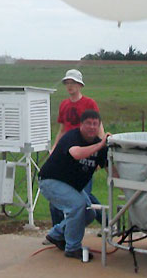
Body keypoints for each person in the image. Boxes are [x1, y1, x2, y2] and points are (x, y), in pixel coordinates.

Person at [38, 110, 111, 261]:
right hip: (50, 180)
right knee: (77, 205)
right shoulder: (72, 137)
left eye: (95, 124)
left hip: (71, 185)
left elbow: (110, 170)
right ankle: (73, 248)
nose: (92, 127)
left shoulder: (100, 147)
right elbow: (76, 153)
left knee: (89, 212)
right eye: (88, 123)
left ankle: (56, 235)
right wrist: (100, 144)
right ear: (81, 125)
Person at [49, 69, 104, 226]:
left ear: (80, 85)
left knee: (82, 194)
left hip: (85, 152)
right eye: (67, 83)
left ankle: (107, 222)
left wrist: (100, 151)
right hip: (68, 154)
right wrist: (54, 148)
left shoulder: (89, 103)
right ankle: (58, 231)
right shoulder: (64, 104)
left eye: (73, 83)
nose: (70, 86)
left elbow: (98, 126)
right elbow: (62, 130)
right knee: (64, 192)